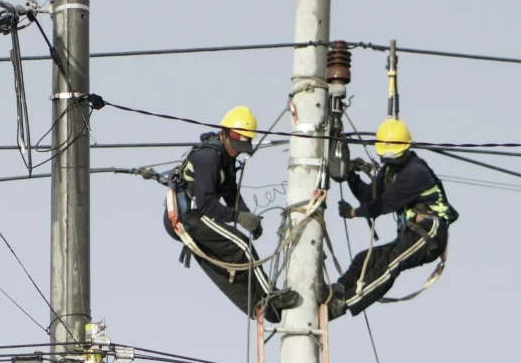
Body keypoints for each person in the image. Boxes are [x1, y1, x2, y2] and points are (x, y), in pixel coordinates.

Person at [164, 108, 299, 324]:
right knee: (242, 246)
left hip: (191, 216)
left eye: (241, 148)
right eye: (236, 146)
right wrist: (239, 219)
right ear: (223, 134)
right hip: (189, 215)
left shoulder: (226, 158)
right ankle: (270, 296)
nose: (237, 152)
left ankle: (258, 304)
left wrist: (247, 217)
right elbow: (206, 203)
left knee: (227, 259)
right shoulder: (209, 157)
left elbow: (230, 192)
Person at [328, 118, 458, 320]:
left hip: (430, 232)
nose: (390, 162)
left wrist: (354, 213)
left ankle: (344, 303)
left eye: (394, 158)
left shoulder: (416, 172)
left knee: (390, 263)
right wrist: (350, 175)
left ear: (406, 150)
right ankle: (338, 290)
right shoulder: (389, 169)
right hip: (411, 233)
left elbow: (383, 204)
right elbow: (368, 196)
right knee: (365, 259)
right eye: (386, 159)